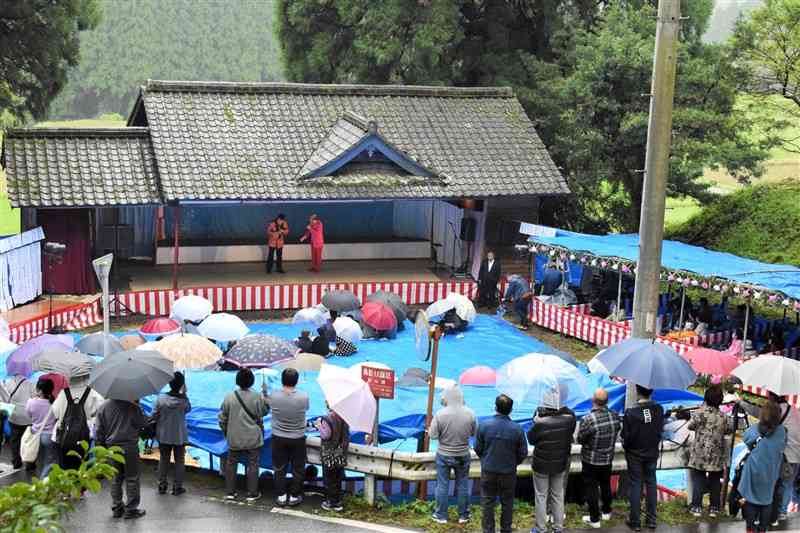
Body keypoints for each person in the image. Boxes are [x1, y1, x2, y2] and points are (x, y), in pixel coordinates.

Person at [738, 390, 800, 522]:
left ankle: (771, 516)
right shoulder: (795, 411)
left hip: (783, 456)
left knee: (775, 487)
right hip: (796, 455)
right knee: (787, 485)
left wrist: (741, 402)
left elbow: (758, 414)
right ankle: (782, 513)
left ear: (772, 397)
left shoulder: (776, 414)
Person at [474, 394, 528, 533]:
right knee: (507, 503)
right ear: (511, 410)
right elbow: (523, 453)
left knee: (487, 502)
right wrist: (513, 463)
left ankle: (488, 530)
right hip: (508, 471)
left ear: (495, 407)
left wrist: (486, 459)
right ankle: (506, 529)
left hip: (489, 469)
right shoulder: (517, 429)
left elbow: (477, 448)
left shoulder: (484, 425)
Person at [527, 389, 577, 533]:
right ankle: (558, 527)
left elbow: (531, 439)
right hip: (560, 462)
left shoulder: (540, 422)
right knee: (558, 494)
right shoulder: (569, 419)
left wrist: (535, 421)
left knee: (541, 496)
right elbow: (571, 430)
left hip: (541, 464)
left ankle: (540, 528)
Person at [218, 368, 270, 503]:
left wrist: (227, 433)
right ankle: (252, 493)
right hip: (253, 437)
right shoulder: (257, 396)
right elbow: (264, 412)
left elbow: (222, 419)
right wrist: (265, 395)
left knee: (231, 464)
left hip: (234, 437)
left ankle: (230, 492)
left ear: (237, 380)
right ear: (252, 381)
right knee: (253, 464)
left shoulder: (229, 397)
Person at [429, 385, 478, 525]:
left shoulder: (440, 414)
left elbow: (432, 436)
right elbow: (475, 433)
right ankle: (464, 515)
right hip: (463, 453)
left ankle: (441, 515)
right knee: (463, 484)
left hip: (444, 454)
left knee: (442, 485)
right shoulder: (471, 413)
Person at [738, 401, 787, 533]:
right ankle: (762, 529)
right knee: (767, 500)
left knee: (750, 499)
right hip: (771, 471)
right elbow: (782, 446)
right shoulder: (782, 431)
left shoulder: (754, 429)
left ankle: (750, 528)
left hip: (753, 469)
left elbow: (746, 439)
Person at [95, 397, 147, 519]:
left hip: (111, 447)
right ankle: (131, 509)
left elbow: (98, 430)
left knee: (115, 478)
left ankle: (117, 508)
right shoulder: (133, 407)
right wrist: (139, 407)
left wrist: (101, 446)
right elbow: (143, 423)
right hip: (130, 447)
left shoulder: (103, 407)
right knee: (132, 478)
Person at [622, 385, 665, 532]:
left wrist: (626, 446)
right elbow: (659, 430)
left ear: (637, 392)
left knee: (635, 485)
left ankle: (635, 521)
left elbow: (625, 436)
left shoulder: (631, 412)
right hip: (652, 452)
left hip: (634, 454)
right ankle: (651, 520)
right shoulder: (659, 410)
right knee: (651, 483)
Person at [577, 388, 621, 529]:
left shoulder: (588, 419)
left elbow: (580, 439)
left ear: (593, 400)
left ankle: (594, 519)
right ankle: (606, 511)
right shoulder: (614, 415)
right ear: (607, 401)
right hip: (608, 458)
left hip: (591, 459)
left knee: (591, 488)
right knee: (606, 484)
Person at [267, 368, 310, 506]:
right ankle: (294, 495)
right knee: (298, 468)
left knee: (279, 467)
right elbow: (306, 409)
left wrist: (264, 393)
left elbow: (267, 404)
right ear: (296, 381)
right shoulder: (304, 397)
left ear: (282, 380)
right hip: (298, 437)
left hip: (278, 436)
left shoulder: (273, 396)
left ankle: (281, 495)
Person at [686, 384, 731, 518]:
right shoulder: (723, 416)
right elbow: (728, 430)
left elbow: (690, 426)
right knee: (715, 481)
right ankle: (714, 508)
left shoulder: (699, 413)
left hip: (699, 452)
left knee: (698, 479)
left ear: (706, 398)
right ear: (720, 401)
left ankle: (696, 507)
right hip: (716, 454)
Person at [49, 374, 103, 471]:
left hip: (64, 434)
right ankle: (81, 484)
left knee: (64, 465)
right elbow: (101, 411)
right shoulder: (93, 393)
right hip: (85, 434)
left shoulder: (63, 393)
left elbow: (55, 413)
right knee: (82, 464)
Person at [152, 372, 191, 495]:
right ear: (181, 384)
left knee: (164, 460)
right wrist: (184, 393)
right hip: (179, 436)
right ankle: (177, 487)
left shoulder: (161, 398)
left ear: (169, 383)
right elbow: (188, 409)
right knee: (179, 461)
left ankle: (162, 485)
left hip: (163, 435)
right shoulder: (184, 401)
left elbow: (154, 415)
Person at [314, 403, 350, 512]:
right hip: (340, 453)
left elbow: (326, 435)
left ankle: (331, 502)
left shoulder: (327, 418)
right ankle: (338, 502)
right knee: (337, 477)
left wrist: (319, 425)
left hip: (329, 454)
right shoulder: (344, 418)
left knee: (329, 478)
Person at [25, 377, 58, 478]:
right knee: (49, 461)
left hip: (35, 434)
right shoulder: (54, 403)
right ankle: (43, 480)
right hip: (49, 436)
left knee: (39, 460)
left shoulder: (31, 402)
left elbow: (28, 415)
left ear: (39, 390)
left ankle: (40, 479)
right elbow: (57, 418)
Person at [0, 371, 34, 470]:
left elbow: (6, 399)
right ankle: (29, 463)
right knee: (28, 439)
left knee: (15, 439)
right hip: (27, 415)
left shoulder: (8, 382)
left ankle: (16, 461)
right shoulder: (30, 383)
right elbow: (33, 397)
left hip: (14, 414)